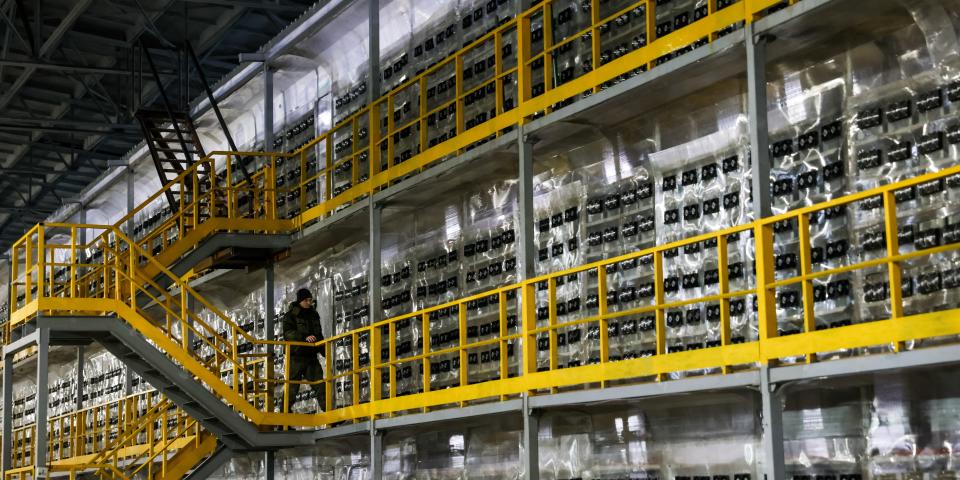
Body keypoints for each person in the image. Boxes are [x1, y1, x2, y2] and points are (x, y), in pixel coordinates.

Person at [282, 288, 326, 412]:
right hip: (296, 357)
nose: (309, 302)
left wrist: (325, 352)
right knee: (292, 389)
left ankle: (331, 416)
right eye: (307, 300)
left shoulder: (314, 314)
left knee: (320, 386)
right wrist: (304, 338)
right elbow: (288, 334)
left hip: (311, 357)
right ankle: (282, 421)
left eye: (310, 300)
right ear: (300, 300)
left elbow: (319, 334)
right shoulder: (291, 315)